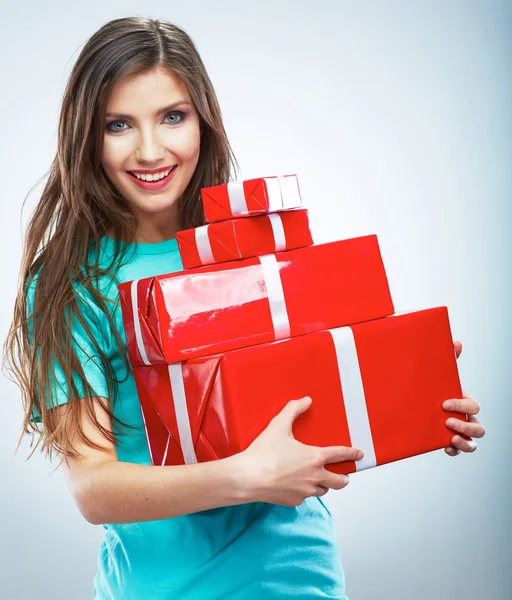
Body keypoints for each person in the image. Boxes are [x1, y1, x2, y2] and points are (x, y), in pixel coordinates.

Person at [2, 16, 486, 600]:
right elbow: (94, 487)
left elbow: (315, 393)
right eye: (119, 125)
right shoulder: (73, 283)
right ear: (85, 135)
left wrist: (414, 389)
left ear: (203, 121)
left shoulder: (251, 246)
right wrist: (247, 478)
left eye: (173, 117)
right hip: (163, 589)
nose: (151, 150)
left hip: (298, 574)